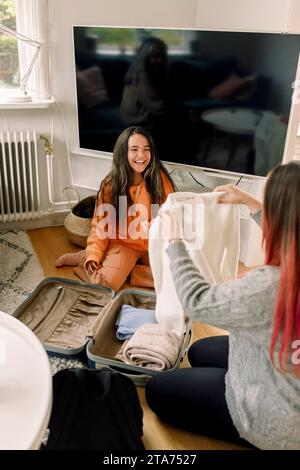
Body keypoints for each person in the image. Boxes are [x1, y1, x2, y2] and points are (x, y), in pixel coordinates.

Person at [145, 161, 300, 450]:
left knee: (157, 391)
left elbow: (197, 301)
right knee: (200, 351)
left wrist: (175, 241)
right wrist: (249, 202)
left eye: (266, 204)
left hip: (275, 425)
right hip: (290, 364)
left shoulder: (267, 286)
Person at [55, 126, 175, 292]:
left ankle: (129, 271)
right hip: (124, 244)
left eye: (146, 149)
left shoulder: (159, 179)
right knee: (104, 286)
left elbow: (171, 213)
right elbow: (100, 227)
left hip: (152, 245)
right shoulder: (111, 185)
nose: (141, 155)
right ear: (123, 153)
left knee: (176, 277)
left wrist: (161, 223)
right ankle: (85, 258)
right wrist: (93, 256)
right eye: (134, 149)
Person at [121, 37, 191, 162]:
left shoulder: (153, 73)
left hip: (148, 115)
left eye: (162, 56)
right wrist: (185, 113)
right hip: (139, 121)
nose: (159, 60)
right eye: (154, 56)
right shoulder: (142, 75)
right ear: (145, 57)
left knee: (181, 117)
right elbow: (160, 106)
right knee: (182, 123)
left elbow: (164, 96)